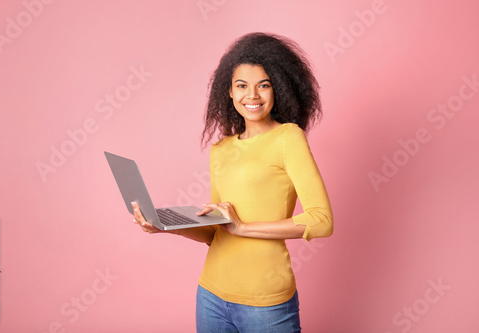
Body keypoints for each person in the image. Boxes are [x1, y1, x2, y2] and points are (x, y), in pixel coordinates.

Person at [131, 32, 333, 333]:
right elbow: (217, 231)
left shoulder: (288, 138)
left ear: (278, 87)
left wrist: (243, 228)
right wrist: (165, 224)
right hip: (211, 295)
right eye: (242, 86)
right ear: (228, 91)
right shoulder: (221, 150)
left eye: (263, 85)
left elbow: (322, 221)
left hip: (266, 302)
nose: (252, 95)